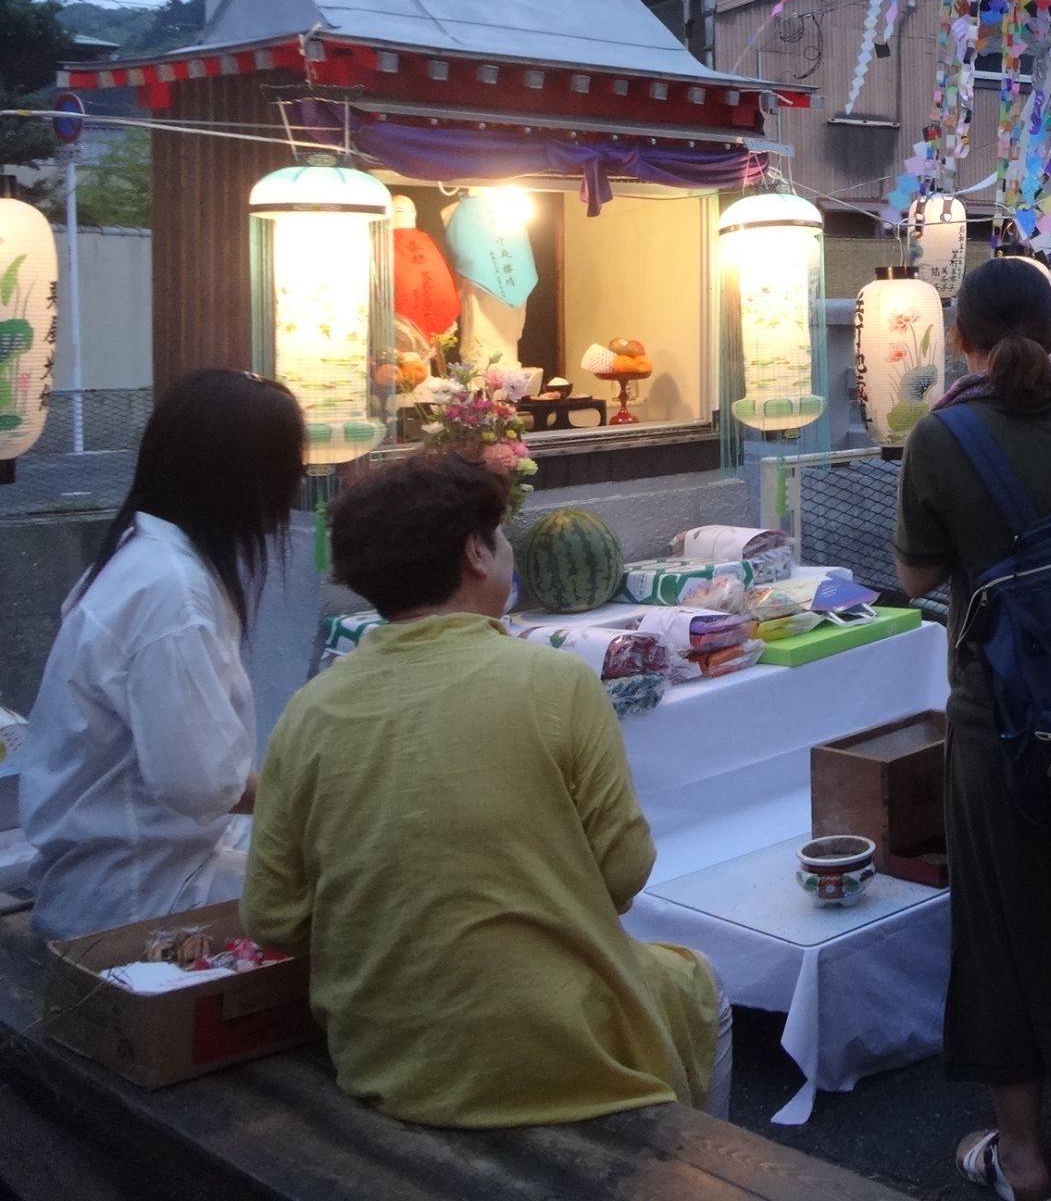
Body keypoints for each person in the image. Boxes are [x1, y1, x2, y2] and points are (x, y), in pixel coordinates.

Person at [242, 455, 726, 1125]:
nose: (506, 555)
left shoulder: (310, 709)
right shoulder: (556, 681)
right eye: (500, 539)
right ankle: (700, 1159)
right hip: (565, 1051)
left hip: (385, 1060)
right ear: (475, 552)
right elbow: (624, 873)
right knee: (699, 986)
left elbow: (272, 917)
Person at [895, 258, 1051, 1201]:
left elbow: (919, 578)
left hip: (999, 719)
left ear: (962, 336)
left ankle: (1026, 1156)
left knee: (1002, 923)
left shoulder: (941, 437)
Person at [23, 369, 304, 941]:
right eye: (288, 469)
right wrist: (325, 791)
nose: (296, 486)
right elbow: (201, 785)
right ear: (249, 480)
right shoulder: (171, 592)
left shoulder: (152, 558)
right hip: (142, 897)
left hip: (130, 873)